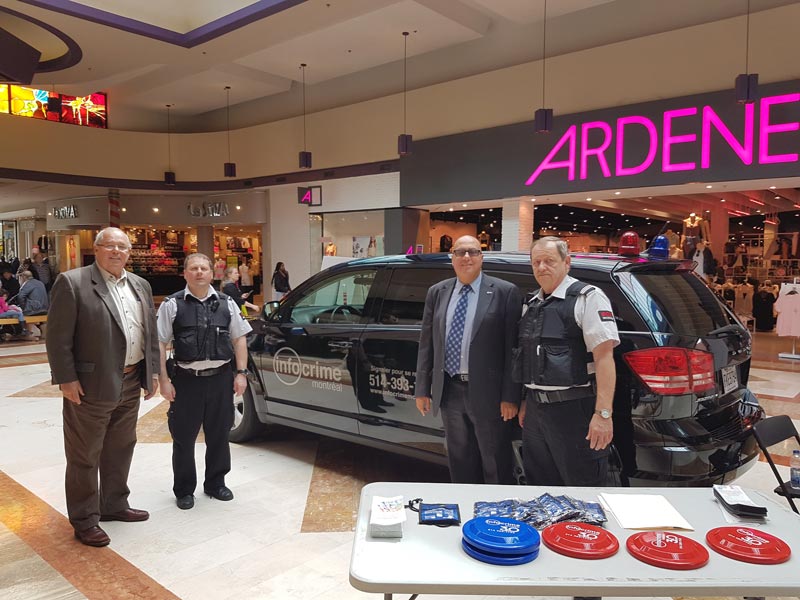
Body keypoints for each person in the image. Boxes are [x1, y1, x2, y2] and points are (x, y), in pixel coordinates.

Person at [46, 227, 160, 547]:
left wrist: (150, 374)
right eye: (109, 245)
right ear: (95, 250)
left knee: (121, 447)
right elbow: (57, 338)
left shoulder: (140, 284)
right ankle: (84, 519)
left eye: (122, 247)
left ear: (129, 253)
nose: (116, 251)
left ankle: (114, 504)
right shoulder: (73, 282)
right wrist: (66, 379)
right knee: (85, 454)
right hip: (90, 385)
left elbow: (148, 332)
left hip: (130, 379)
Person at [415, 235, 522, 484]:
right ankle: (466, 509)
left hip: (490, 394)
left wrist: (510, 396)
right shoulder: (437, 292)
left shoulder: (504, 292)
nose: (466, 257)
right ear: (451, 258)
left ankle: (495, 513)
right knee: (459, 458)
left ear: (482, 257)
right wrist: (423, 389)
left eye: (473, 252)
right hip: (449, 390)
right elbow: (427, 343)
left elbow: (513, 350)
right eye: (460, 252)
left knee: (494, 459)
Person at [515, 236, 620, 487]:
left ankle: (582, 529)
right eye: (536, 262)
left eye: (549, 261)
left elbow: (605, 358)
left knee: (583, 488)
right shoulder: (531, 304)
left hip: (575, 412)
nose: (542, 267)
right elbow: (530, 358)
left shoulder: (588, 298)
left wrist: (603, 414)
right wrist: (526, 400)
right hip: (535, 412)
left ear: (567, 262)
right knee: (540, 485)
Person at [156, 253, 252, 510]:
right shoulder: (171, 304)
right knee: (184, 438)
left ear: (212, 273)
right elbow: (160, 343)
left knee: (219, 434)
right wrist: (163, 380)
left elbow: (239, 339)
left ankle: (216, 483)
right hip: (186, 381)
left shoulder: (227, 303)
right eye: (193, 268)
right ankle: (184, 489)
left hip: (220, 379)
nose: (199, 272)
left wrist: (241, 373)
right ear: (185, 273)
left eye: (203, 268)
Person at [17, 270, 49, 337]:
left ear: (24, 277)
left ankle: (30, 331)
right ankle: (40, 328)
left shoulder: (27, 284)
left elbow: (21, 296)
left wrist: (23, 307)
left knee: (18, 313)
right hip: (45, 309)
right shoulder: (40, 283)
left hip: (34, 310)